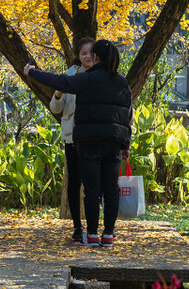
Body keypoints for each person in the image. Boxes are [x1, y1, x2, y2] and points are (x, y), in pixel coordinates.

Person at [26, 39, 132, 247]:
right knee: (110, 189)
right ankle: (108, 234)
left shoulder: (86, 79)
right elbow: (127, 116)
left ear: (95, 57)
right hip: (114, 142)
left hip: (89, 141)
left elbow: (59, 82)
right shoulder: (122, 82)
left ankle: (92, 234)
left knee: (91, 189)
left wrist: (31, 72)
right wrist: (125, 145)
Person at [49, 38, 94, 244]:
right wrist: (59, 91)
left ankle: (94, 226)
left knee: (93, 183)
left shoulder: (101, 76)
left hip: (94, 137)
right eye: (83, 53)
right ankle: (77, 226)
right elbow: (55, 109)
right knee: (74, 183)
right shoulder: (68, 76)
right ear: (78, 55)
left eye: (91, 53)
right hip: (73, 137)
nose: (88, 56)